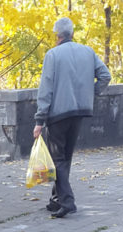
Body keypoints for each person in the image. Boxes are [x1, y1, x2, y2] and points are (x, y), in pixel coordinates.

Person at [33, 16, 111, 218]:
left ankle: (67, 202)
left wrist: (39, 120)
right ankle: (56, 199)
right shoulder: (88, 51)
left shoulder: (53, 55)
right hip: (80, 112)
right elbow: (105, 76)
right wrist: (91, 93)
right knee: (65, 157)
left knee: (57, 158)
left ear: (57, 36)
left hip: (58, 114)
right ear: (72, 34)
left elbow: (46, 88)